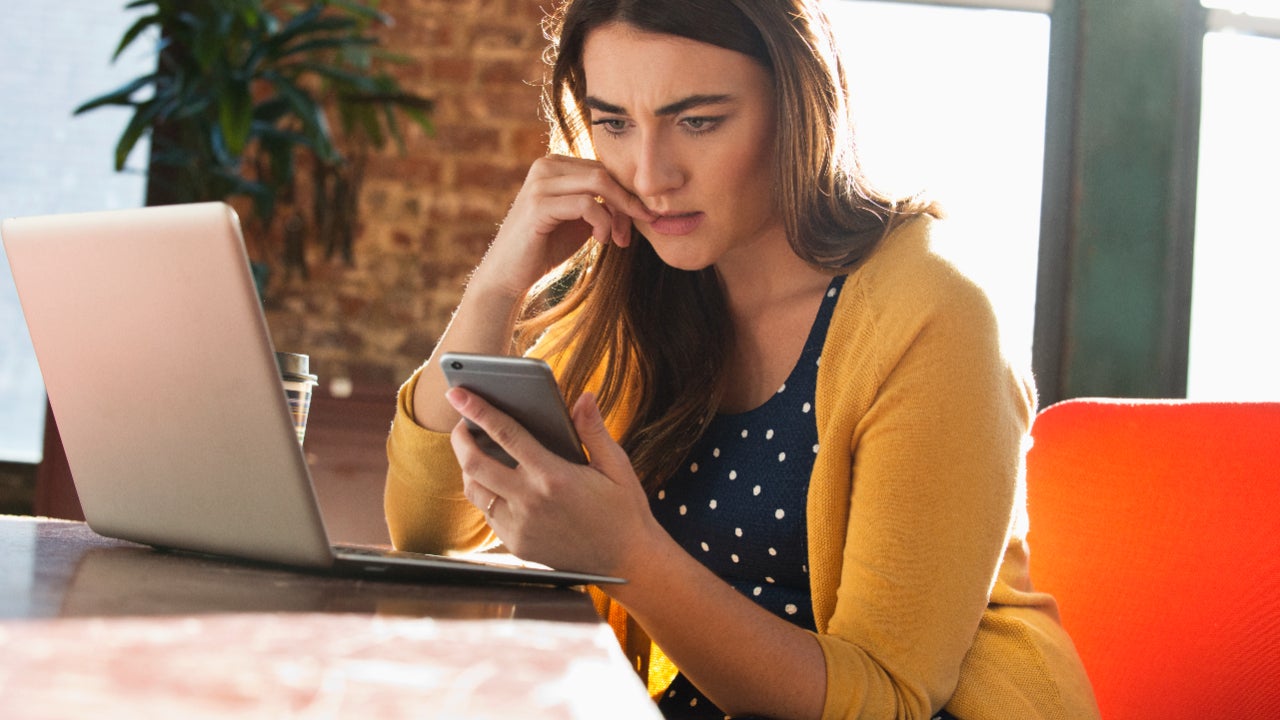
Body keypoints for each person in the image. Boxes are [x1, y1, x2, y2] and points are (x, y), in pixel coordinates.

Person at [385, 1, 1100, 718]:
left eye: (697, 122)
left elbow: (889, 699)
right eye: (614, 123)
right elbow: (427, 531)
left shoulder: (932, 313)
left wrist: (628, 557)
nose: (650, 173)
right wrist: (499, 282)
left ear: (798, 108)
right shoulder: (648, 288)